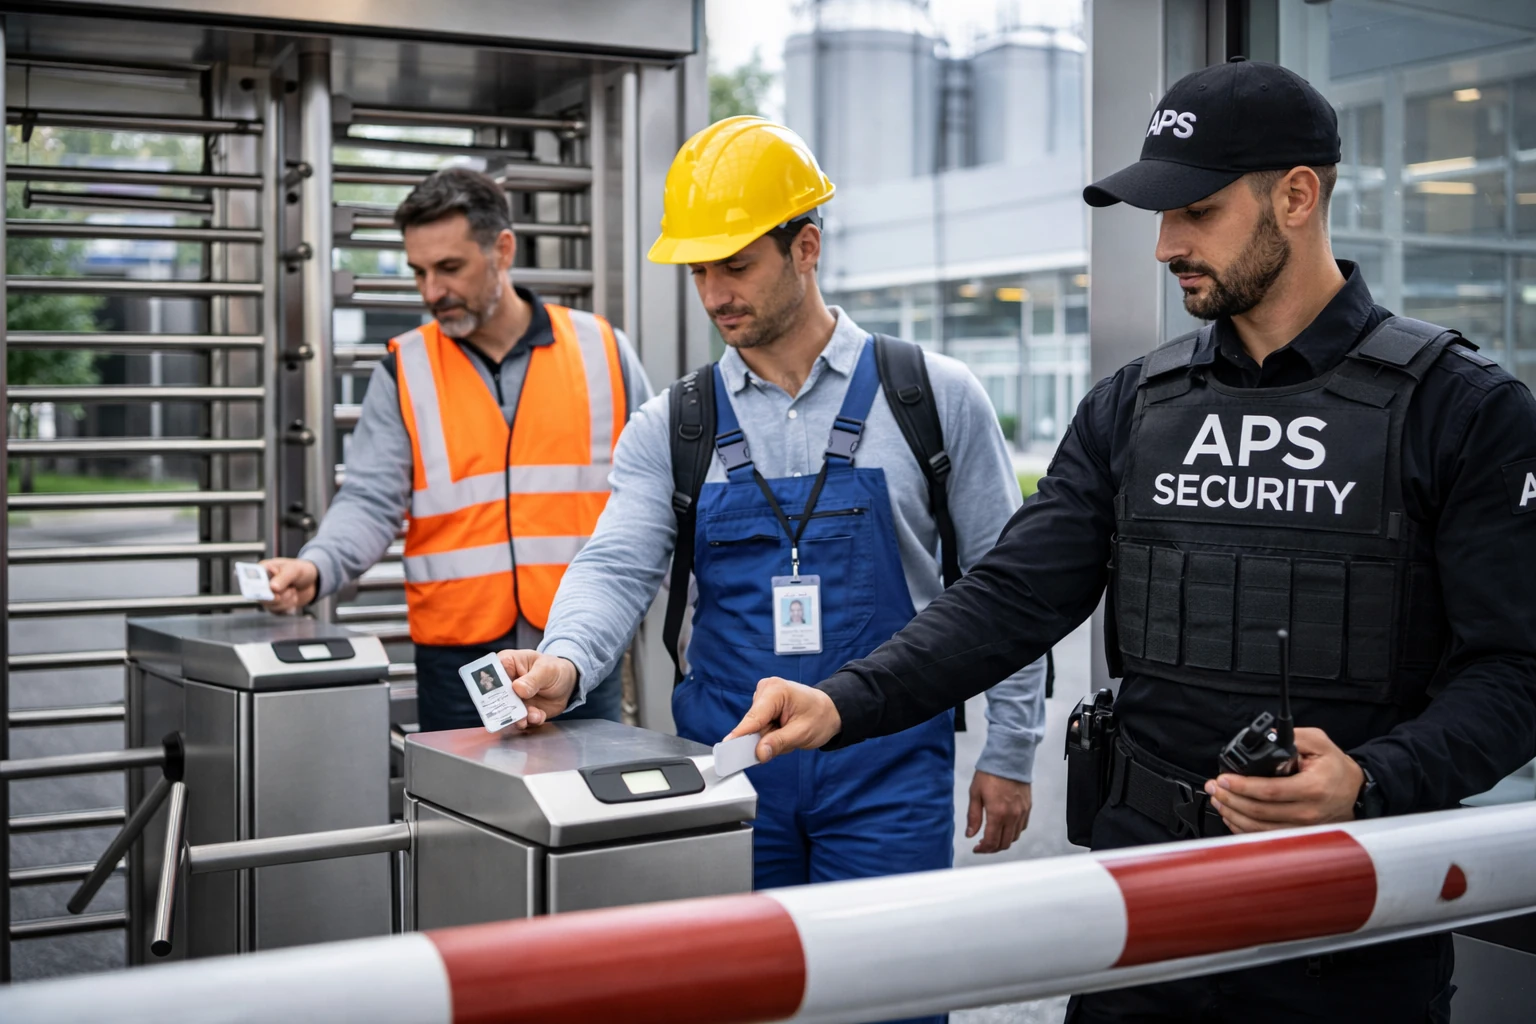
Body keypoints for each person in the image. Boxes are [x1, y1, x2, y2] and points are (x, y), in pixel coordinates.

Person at [726, 60, 1536, 1024]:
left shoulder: (1463, 410)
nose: (1164, 246)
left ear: (1297, 195)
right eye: (1159, 215)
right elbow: (1010, 598)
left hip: (1348, 923)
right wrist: (841, 700)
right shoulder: (1134, 405)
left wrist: (1371, 780)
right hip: (1146, 909)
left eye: (1194, 210)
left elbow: (1517, 674)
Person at [495, 115, 1047, 991]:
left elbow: (1008, 587)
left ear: (807, 248)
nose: (715, 294)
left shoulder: (932, 399)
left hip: (889, 771)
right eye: (699, 271)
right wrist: (565, 660)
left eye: (737, 264)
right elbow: (616, 564)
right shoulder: (674, 427)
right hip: (727, 773)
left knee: (889, 1000)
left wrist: (1011, 751)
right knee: (738, 999)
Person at [259, 168, 653, 729]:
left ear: (503, 249)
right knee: (463, 812)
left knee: (583, 808)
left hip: (578, 645)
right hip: (460, 657)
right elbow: (371, 500)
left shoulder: (604, 351)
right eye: (418, 271)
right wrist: (316, 565)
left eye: (449, 268)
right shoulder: (405, 369)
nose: (431, 291)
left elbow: (656, 500)